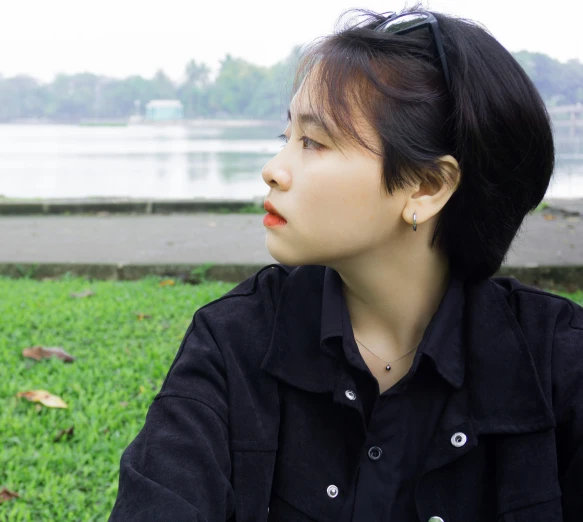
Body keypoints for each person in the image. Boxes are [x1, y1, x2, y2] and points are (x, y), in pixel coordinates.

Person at [108, 5, 583, 521]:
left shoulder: (558, 363)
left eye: (314, 141)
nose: (273, 170)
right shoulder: (234, 343)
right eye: (286, 137)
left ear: (426, 186)